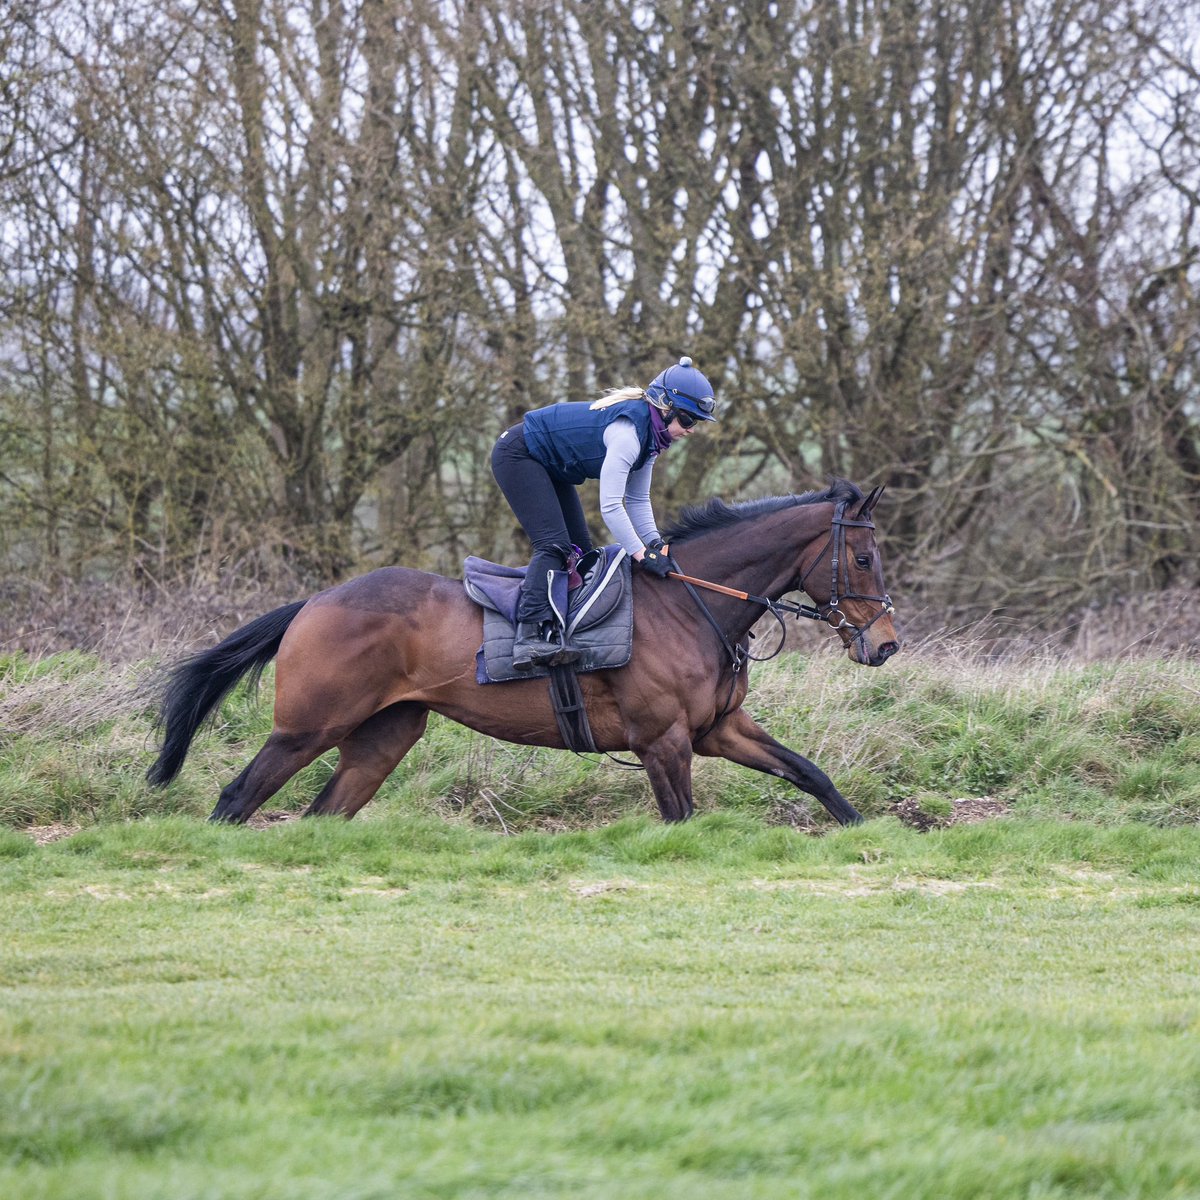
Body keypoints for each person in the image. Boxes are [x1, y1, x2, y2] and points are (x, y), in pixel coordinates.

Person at [490, 355, 718, 670]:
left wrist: (655, 544)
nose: (691, 430)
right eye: (689, 420)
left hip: (548, 465)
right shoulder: (628, 435)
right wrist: (640, 554)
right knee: (554, 545)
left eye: (697, 423)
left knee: (583, 551)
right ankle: (527, 637)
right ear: (665, 408)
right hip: (518, 455)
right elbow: (611, 506)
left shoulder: (652, 439)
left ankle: (566, 629)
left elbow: (637, 499)